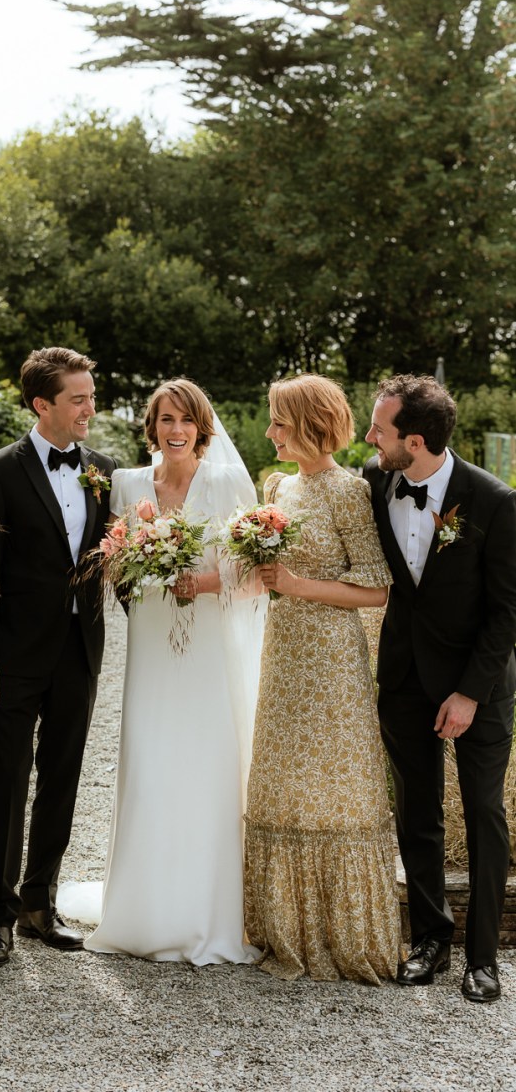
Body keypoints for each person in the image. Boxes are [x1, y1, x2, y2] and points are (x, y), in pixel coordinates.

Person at [68, 378, 266, 966]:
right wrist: (132, 563)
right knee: (151, 763)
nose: (174, 430)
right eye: (164, 420)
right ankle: (143, 908)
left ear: (201, 426)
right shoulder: (128, 485)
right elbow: (111, 564)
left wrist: (204, 581)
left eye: (185, 420)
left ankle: (208, 911)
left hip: (207, 646)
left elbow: (258, 574)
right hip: (153, 643)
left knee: (208, 766)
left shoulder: (229, 481)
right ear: (150, 427)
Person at [0, 346, 117, 969]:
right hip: (14, 656)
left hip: (80, 652)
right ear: (41, 404)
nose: (90, 408)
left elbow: (111, 560)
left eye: (91, 396)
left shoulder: (103, 469)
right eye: (78, 398)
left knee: (63, 778)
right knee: (5, 781)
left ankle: (39, 901)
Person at [244, 374, 403, 983]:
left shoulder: (347, 492)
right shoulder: (279, 484)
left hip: (331, 658)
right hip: (283, 652)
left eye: (279, 422)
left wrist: (295, 585)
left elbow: (375, 587)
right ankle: (281, 928)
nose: (269, 432)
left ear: (310, 425)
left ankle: (338, 934)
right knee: (283, 779)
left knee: (330, 787)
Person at [364, 374, 516, 1004]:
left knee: (482, 813)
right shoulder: (374, 486)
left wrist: (469, 693)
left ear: (416, 440)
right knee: (416, 811)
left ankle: (483, 958)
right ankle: (430, 937)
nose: (369, 438)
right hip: (403, 678)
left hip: (475, 686)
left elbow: (508, 612)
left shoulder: (495, 501)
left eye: (379, 429)